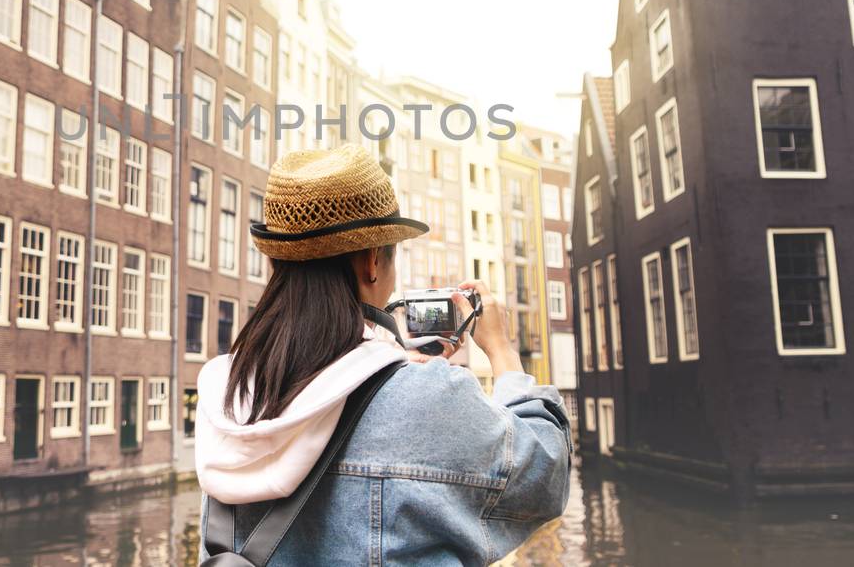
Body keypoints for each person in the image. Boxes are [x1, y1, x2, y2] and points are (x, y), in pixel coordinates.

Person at [196, 145, 572, 566]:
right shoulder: (429, 398)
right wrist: (502, 351)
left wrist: (393, 367)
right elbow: (547, 474)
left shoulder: (227, 396)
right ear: (373, 261)